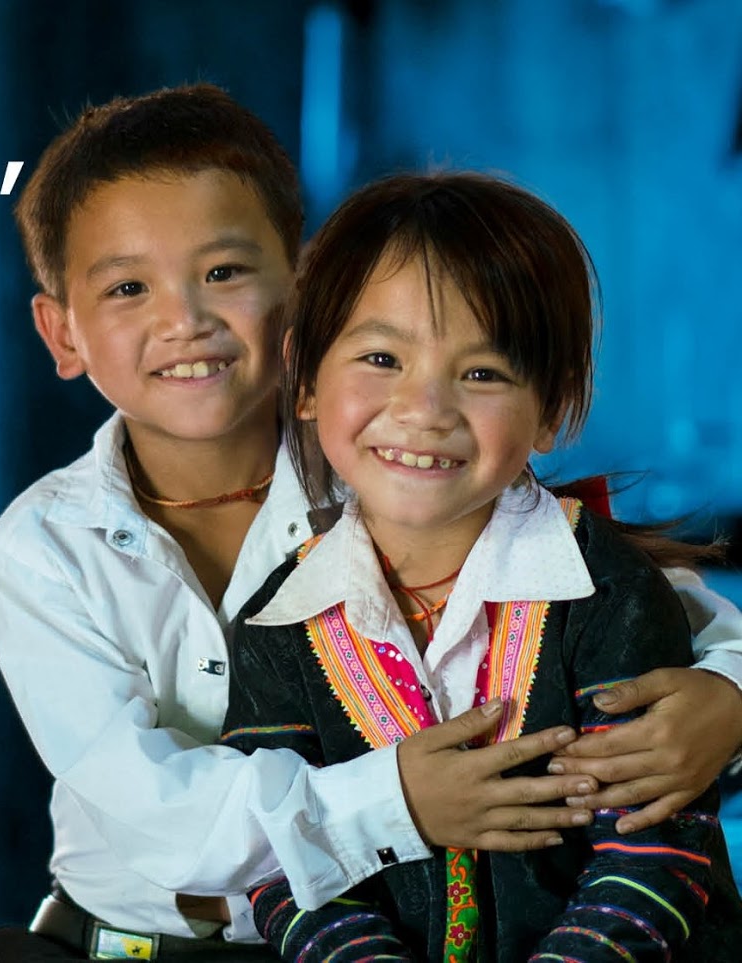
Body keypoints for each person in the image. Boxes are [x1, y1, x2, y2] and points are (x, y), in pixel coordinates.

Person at [0, 83, 742, 961]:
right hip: (133, 942)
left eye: (224, 272)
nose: (184, 319)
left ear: (302, 293)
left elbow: (652, 610)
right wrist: (399, 800)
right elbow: (155, 811)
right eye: (128, 287)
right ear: (62, 333)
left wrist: (729, 700)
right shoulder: (43, 549)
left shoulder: (397, 460)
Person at [220, 170, 742, 960]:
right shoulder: (278, 618)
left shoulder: (610, 595)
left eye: (482, 373)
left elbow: (649, 858)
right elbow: (286, 871)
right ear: (306, 380)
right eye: (381, 357)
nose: (425, 409)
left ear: (554, 405)